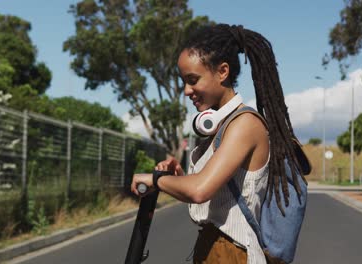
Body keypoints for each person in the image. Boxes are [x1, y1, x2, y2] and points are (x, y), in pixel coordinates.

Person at [131, 24, 306, 264]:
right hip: (214, 249)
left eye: (193, 80)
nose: (186, 90)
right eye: (184, 81)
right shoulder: (223, 127)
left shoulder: (244, 124)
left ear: (222, 72)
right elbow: (214, 200)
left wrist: (155, 180)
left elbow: (200, 190)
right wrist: (178, 178)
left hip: (232, 253)